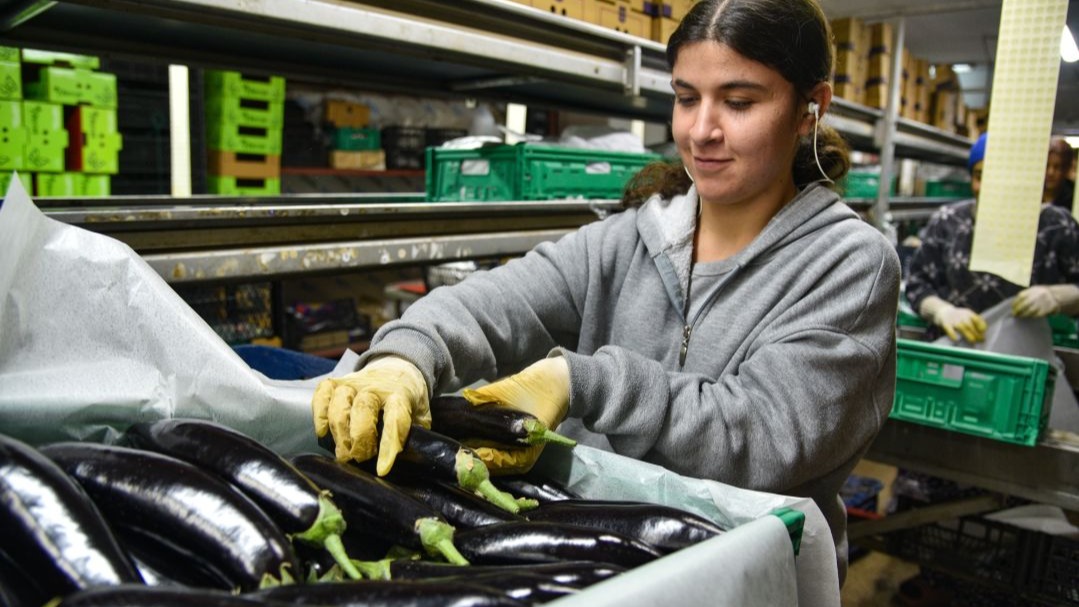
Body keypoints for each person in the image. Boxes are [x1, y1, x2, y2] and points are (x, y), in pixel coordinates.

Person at [311, 0, 900, 585]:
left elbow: (761, 441)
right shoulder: (630, 239)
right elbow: (498, 302)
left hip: (745, 580)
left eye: (739, 102)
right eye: (686, 98)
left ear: (810, 109)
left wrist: (583, 382)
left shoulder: (849, 265)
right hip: (592, 562)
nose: (701, 131)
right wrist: (406, 356)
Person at [906, 133, 1079, 344]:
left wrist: (1057, 297)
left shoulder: (1056, 225)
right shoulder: (948, 221)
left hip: (1027, 354)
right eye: (980, 176)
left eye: (999, 177)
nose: (988, 186)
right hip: (954, 348)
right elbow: (917, 284)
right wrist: (943, 311)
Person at [1046, 137, 1075, 211]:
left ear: (1066, 170)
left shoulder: (1074, 198)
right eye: (1046, 166)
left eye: (1057, 167)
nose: (1050, 172)